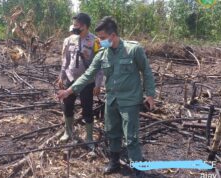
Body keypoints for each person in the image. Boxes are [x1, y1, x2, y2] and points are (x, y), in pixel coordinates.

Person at [57, 16, 155, 176]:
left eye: (102, 38)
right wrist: (69, 91)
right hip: (112, 100)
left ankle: (137, 167)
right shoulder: (103, 53)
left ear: (113, 35)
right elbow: (88, 74)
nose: (99, 41)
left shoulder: (133, 49)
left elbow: (146, 71)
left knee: (131, 135)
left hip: (129, 100)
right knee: (112, 132)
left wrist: (150, 94)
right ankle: (114, 162)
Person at [57, 13, 103, 149]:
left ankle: (88, 138)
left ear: (85, 26)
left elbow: (99, 64)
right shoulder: (69, 40)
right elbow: (65, 60)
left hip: (87, 82)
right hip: (70, 79)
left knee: (87, 109)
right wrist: (62, 76)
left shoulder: (96, 42)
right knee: (68, 106)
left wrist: (98, 83)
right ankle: (68, 131)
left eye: (77, 25)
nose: (74, 27)